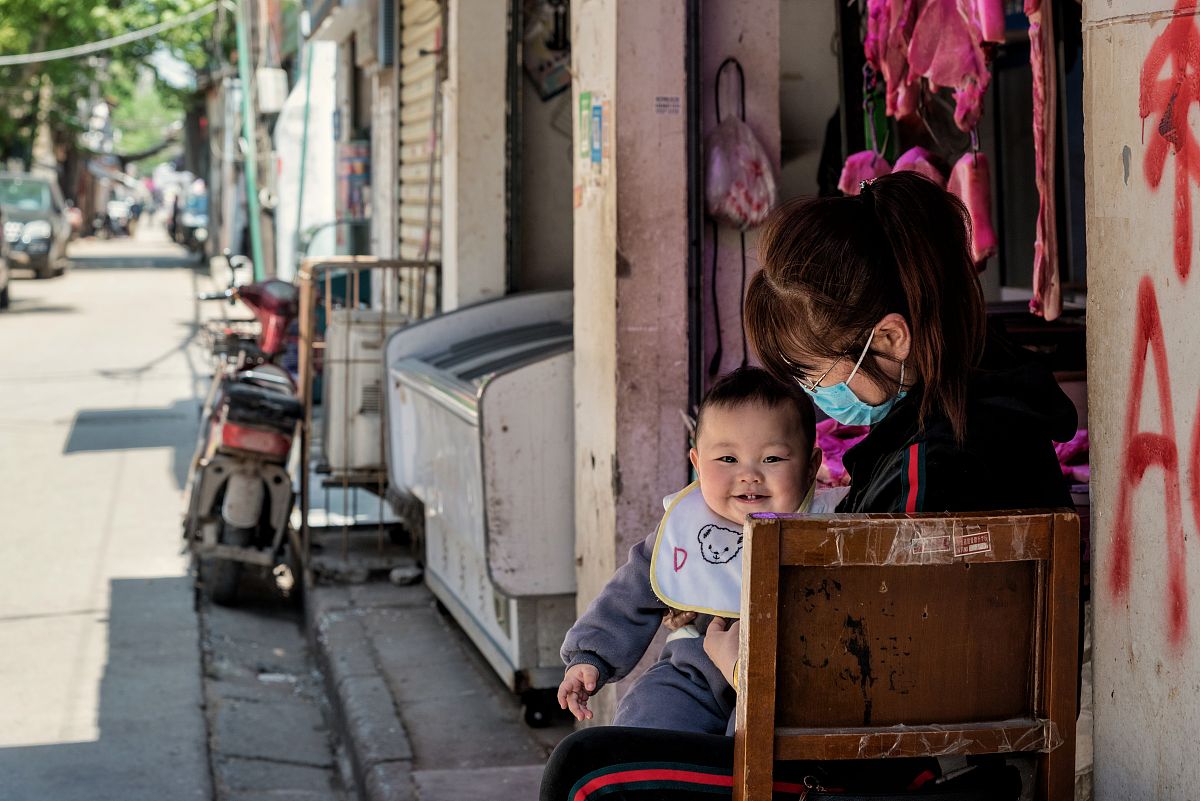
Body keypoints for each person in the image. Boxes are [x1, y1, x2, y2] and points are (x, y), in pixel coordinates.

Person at [541, 171, 1077, 801]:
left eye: (814, 373)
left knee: (585, 772)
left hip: (869, 767)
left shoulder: (925, 471)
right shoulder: (997, 414)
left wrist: (736, 662)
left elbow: (867, 679)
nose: (815, 397)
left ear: (890, 339)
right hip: (922, 740)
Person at [558, 367, 830, 735]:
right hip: (694, 670)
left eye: (772, 459)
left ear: (812, 466)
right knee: (645, 717)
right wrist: (589, 657)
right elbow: (630, 592)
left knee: (755, 739)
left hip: (787, 679)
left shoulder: (829, 527)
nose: (749, 475)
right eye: (727, 460)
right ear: (697, 464)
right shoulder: (687, 527)